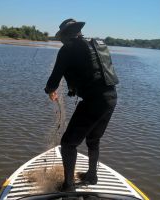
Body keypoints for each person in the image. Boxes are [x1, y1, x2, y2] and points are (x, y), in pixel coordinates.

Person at [45, 18, 118, 191]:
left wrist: (50, 90)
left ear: (66, 35)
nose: (62, 40)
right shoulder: (98, 44)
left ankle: (68, 186)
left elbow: (54, 78)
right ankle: (92, 176)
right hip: (111, 97)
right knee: (93, 139)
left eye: (62, 37)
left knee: (68, 144)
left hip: (94, 100)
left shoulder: (67, 49)